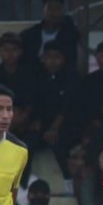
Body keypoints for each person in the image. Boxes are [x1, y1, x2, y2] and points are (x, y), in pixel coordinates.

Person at [35, 41, 84, 194]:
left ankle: (68, 181)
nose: (52, 61)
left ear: (63, 58)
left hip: (67, 125)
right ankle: (24, 183)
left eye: (56, 57)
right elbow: (36, 103)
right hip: (44, 125)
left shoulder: (71, 76)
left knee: (59, 143)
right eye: (48, 57)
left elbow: (67, 106)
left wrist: (54, 128)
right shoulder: (39, 76)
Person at [0, 32, 41, 150]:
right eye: (6, 50)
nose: (10, 54)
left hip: (27, 121)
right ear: (0, 52)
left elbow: (33, 99)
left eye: (14, 50)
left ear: (20, 52)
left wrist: (23, 116)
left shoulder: (30, 74)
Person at [19, 0, 80, 71]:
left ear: (63, 12)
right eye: (50, 8)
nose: (53, 13)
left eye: (57, 9)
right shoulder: (28, 35)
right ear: (43, 10)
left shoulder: (70, 36)